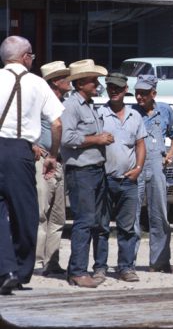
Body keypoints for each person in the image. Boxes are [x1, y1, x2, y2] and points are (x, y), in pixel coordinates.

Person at [0, 36, 63, 295]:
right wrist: (53, 156)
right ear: (25, 57)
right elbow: (57, 123)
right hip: (19, 151)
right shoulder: (37, 83)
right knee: (24, 213)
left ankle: (6, 270)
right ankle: (21, 271)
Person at [61, 59, 113, 288]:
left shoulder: (90, 105)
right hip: (81, 171)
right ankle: (78, 271)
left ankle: (83, 269)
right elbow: (66, 137)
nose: (97, 83)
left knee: (95, 221)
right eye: (93, 80)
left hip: (95, 169)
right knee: (84, 221)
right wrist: (97, 139)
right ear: (80, 83)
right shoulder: (71, 106)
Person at [94, 72, 146, 283]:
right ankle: (100, 268)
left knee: (127, 228)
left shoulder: (135, 116)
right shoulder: (100, 114)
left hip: (128, 181)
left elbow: (140, 144)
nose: (113, 91)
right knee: (101, 227)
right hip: (105, 179)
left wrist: (139, 168)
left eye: (117, 87)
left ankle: (126, 267)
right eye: (110, 87)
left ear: (126, 89)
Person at [132, 74, 173, 273]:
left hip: (157, 166)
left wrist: (170, 154)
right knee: (131, 215)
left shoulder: (165, 110)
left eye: (144, 93)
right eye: (137, 93)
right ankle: (128, 263)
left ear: (154, 93)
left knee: (159, 214)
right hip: (136, 166)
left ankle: (159, 262)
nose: (139, 98)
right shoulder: (132, 112)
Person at [35, 60, 71, 277]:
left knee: (58, 215)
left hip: (58, 160)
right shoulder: (40, 102)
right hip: (44, 160)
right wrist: (33, 145)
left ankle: (52, 260)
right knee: (40, 212)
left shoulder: (63, 103)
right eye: (65, 78)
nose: (69, 81)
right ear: (56, 82)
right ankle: (37, 261)